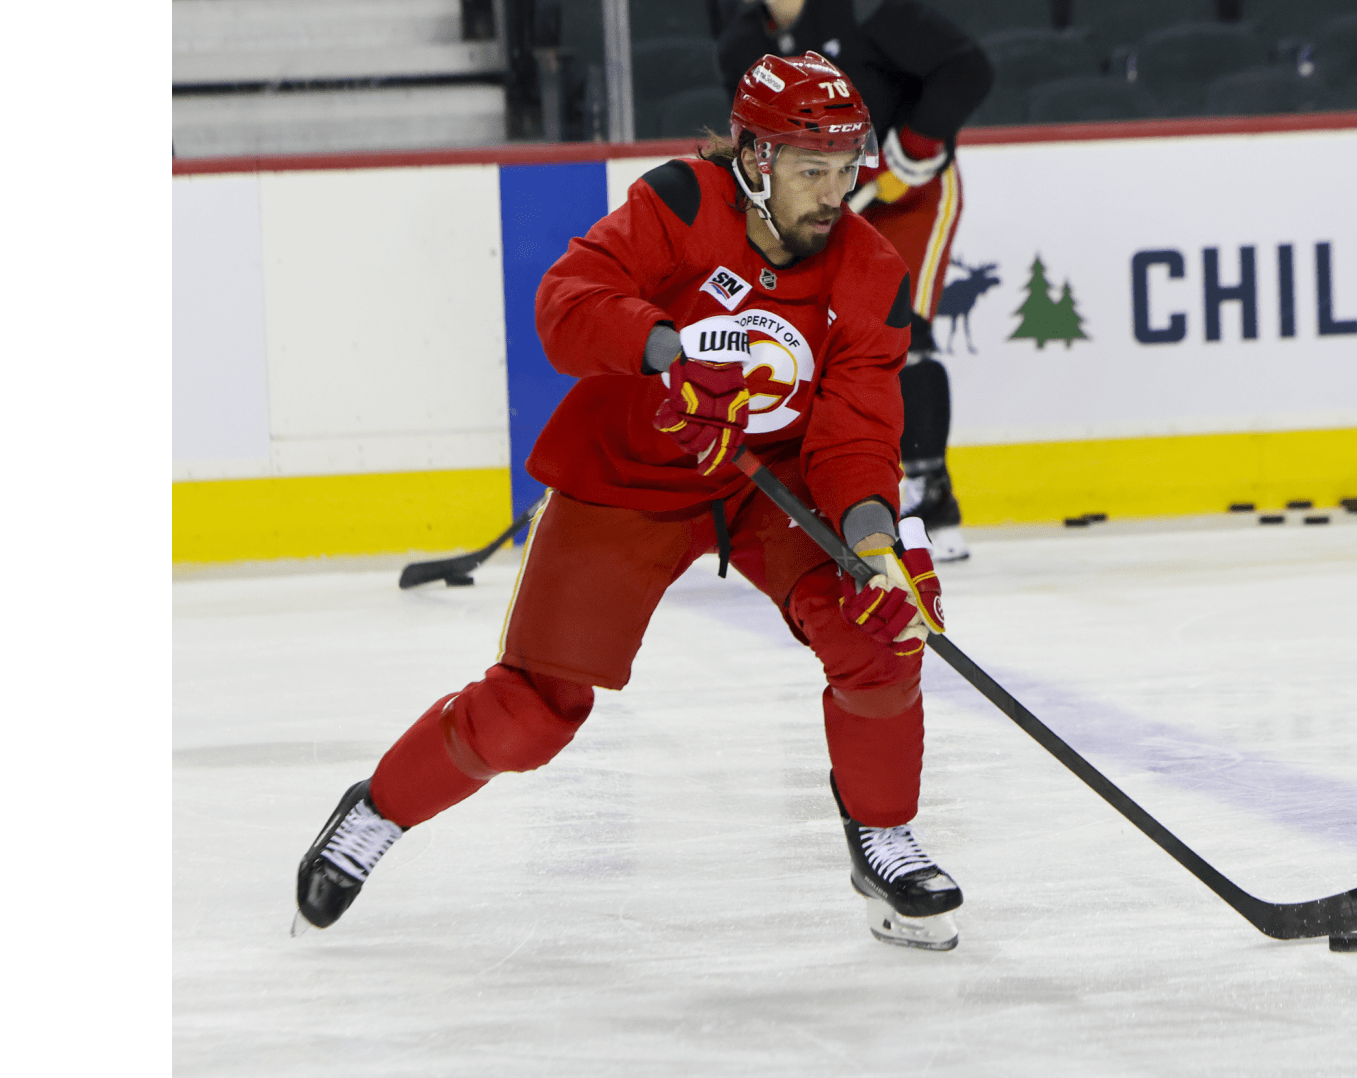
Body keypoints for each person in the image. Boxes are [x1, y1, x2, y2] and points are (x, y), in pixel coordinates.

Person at [295, 51, 965, 952]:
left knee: (876, 632)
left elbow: (856, 434)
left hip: (768, 482)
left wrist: (874, 544)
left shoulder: (871, 271)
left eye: (848, 170)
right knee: (532, 715)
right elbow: (566, 302)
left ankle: (882, 836)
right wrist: (665, 351)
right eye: (814, 170)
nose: (835, 194)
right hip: (629, 476)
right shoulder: (680, 204)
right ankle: (379, 809)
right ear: (756, 158)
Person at [718, 0, 993, 562]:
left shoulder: (866, 9)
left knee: (906, 332)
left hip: (907, 193)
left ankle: (932, 499)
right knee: (806, 333)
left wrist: (916, 144)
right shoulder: (741, 45)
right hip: (822, 199)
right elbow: (751, 141)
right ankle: (816, 493)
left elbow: (968, 68)